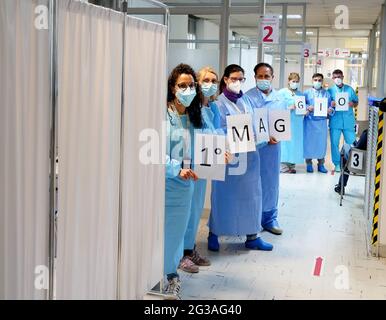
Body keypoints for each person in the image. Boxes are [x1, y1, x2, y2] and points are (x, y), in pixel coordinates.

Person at [208, 64, 273, 252]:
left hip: (249, 158)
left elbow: (254, 126)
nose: (237, 82)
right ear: (226, 80)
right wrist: (229, 137)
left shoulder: (246, 101)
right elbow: (214, 130)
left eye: (241, 79)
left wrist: (264, 137)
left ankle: (253, 236)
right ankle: (214, 233)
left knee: (251, 196)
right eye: (234, 79)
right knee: (222, 197)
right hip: (229, 157)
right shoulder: (217, 104)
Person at [180, 66, 229, 273]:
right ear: (198, 83)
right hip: (189, 165)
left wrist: (224, 151)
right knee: (186, 210)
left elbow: (217, 134)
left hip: (205, 164)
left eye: (213, 80)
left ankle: (190, 249)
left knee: (196, 209)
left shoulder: (214, 108)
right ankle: (180, 254)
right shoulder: (191, 107)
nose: (210, 84)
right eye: (205, 80)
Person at [164, 64, 201, 299]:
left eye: (191, 85)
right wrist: (175, 168)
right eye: (182, 85)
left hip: (183, 187)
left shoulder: (194, 115)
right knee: (154, 234)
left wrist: (222, 153)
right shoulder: (161, 114)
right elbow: (152, 150)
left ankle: (171, 276)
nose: (187, 90)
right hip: (158, 184)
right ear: (172, 87)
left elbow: (210, 141)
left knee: (175, 234)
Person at [246, 63, 287, 236]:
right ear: (255, 77)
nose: (263, 79)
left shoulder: (280, 98)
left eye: (267, 76)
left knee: (271, 182)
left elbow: (283, 124)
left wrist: (278, 136)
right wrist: (261, 137)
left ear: (272, 77)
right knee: (252, 182)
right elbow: (246, 122)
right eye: (260, 76)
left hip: (273, 148)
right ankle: (251, 219)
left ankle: (270, 219)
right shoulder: (247, 97)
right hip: (254, 147)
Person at [328, 69, 359, 172]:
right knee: (334, 143)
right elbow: (327, 106)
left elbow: (356, 102)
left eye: (339, 77)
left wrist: (352, 104)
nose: (338, 79)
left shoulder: (349, 89)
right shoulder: (330, 91)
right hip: (335, 121)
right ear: (333, 78)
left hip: (348, 121)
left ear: (343, 77)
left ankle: (351, 163)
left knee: (351, 142)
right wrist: (331, 104)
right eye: (335, 77)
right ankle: (337, 164)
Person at [303, 73, 334, 173]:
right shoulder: (306, 93)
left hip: (321, 122)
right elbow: (301, 105)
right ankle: (308, 163)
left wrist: (330, 109)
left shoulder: (326, 93)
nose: (317, 82)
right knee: (309, 143)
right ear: (312, 81)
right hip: (309, 122)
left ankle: (321, 164)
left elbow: (331, 106)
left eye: (319, 80)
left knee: (321, 144)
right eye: (315, 80)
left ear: (322, 81)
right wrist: (307, 107)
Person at [279, 73, 306, 174]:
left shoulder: (300, 94)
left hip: (297, 122)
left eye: (297, 81)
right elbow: (277, 106)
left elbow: (302, 106)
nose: (295, 83)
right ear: (289, 81)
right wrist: (288, 107)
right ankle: (283, 165)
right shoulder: (282, 92)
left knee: (295, 143)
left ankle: (292, 164)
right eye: (293, 81)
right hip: (286, 120)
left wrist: (305, 110)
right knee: (285, 143)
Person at [334, 129, 368, 194]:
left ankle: (340, 186)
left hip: (358, 163)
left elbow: (358, 148)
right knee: (353, 142)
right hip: (368, 165)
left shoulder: (367, 132)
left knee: (345, 147)